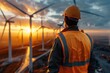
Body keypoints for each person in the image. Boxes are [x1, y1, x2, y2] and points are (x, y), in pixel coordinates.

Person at [47, 5, 93, 73]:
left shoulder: (61, 39)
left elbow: (53, 66)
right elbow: (92, 64)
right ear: (77, 20)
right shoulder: (88, 38)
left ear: (65, 19)